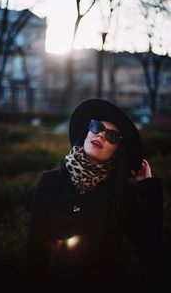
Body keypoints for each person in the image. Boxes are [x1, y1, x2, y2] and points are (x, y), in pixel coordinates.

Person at [27, 99, 163, 292]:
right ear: (87, 130)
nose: (100, 134)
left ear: (118, 150)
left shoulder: (124, 193)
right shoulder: (50, 183)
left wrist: (147, 186)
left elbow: (149, 244)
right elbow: (35, 252)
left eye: (112, 136)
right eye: (96, 126)